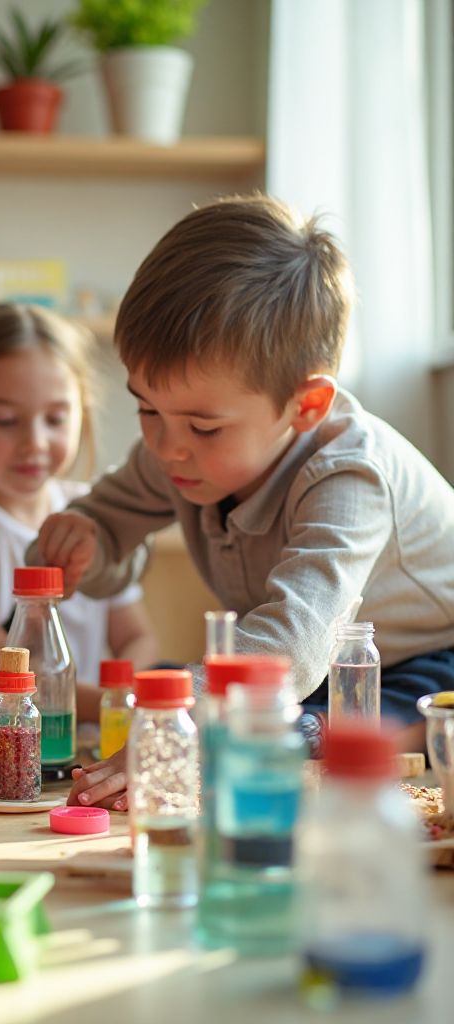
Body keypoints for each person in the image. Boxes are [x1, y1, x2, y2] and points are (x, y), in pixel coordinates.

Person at [32, 194, 454, 809]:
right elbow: (108, 538)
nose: (165, 446)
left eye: (203, 427)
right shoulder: (178, 450)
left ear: (305, 406)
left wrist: (179, 727)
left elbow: (293, 643)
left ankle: (319, 735)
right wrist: (85, 543)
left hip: (423, 662)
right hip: (315, 673)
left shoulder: (350, 476)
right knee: (169, 684)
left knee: (277, 717)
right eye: (147, 408)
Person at [0, 303, 158, 729]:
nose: (34, 442)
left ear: (81, 413)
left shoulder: (93, 512)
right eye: (6, 420)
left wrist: (125, 695)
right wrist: (111, 705)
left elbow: (136, 636)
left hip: (83, 747)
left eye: (55, 419)